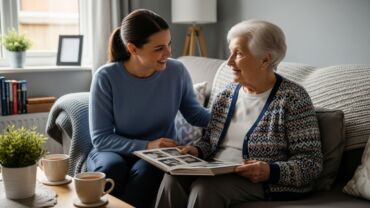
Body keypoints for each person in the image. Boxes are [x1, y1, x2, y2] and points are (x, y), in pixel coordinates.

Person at [155, 19, 323, 208]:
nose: (229, 61)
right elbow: (210, 141)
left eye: (239, 54)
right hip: (215, 170)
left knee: (205, 189)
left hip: (263, 182)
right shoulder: (226, 94)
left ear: (265, 59)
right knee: (172, 179)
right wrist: (196, 150)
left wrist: (269, 171)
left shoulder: (293, 99)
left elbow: (311, 164)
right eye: (230, 53)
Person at [87, 9, 210, 208]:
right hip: (112, 150)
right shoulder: (106, 77)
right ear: (133, 49)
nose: (169, 53)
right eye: (159, 48)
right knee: (112, 168)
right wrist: (148, 145)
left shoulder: (176, 71)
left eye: (169, 44)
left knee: (149, 171)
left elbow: (195, 115)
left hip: (157, 156)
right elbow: (101, 139)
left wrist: (233, 115)